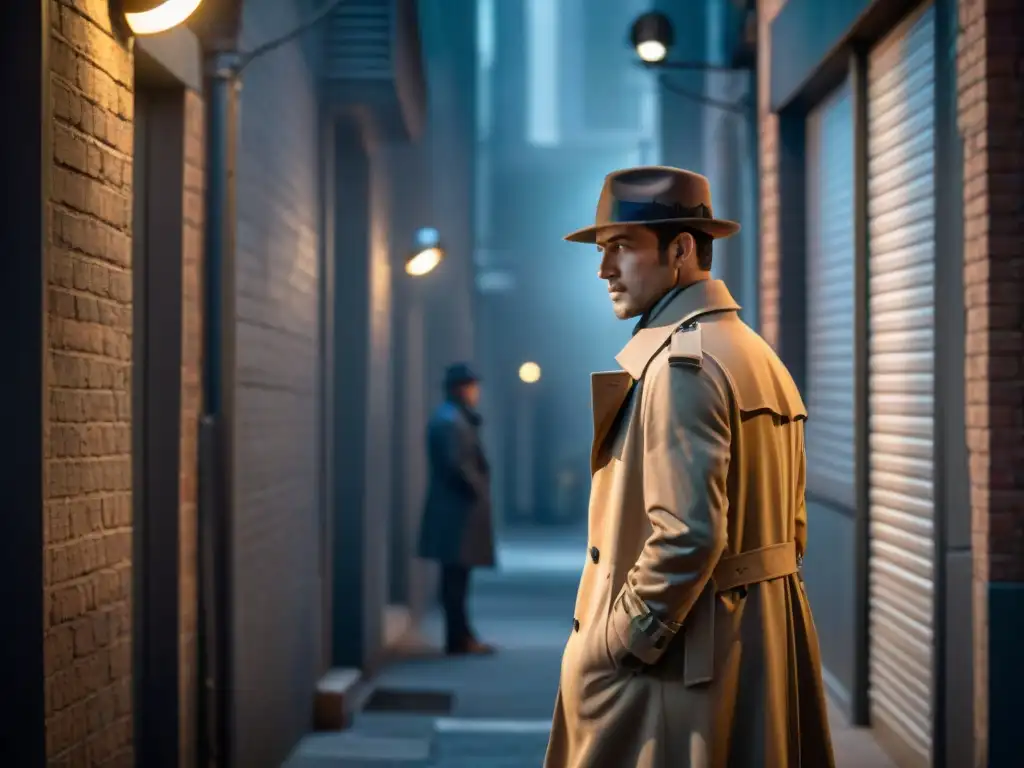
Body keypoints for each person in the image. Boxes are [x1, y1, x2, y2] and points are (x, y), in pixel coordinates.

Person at [543, 167, 835, 768]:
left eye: (622, 247)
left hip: (682, 668)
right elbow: (793, 528)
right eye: (603, 251)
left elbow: (688, 535)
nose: (604, 271)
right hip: (754, 645)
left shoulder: (684, 367)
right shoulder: (755, 353)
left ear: (680, 250)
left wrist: (618, 644)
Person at [417, 363, 497, 656]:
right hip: (455, 513)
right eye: (472, 386)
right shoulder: (450, 421)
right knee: (455, 581)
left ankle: (462, 635)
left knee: (457, 580)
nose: (476, 393)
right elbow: (456, 466)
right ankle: (459, 638)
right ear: (460, 388)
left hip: (456, 512)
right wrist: (475, 487)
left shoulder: (454, 419)